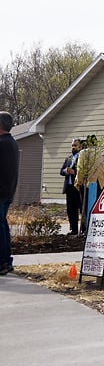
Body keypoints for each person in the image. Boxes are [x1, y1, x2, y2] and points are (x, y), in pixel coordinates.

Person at [0, 111, 19, 275]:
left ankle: (1, 263)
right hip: (8, 191)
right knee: (3, 225)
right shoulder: (12, 143)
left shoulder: (1, 143)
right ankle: (7, 260)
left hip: (1, 191)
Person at [60, 138, 83, 235]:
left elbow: (84, 172)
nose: (73, 147)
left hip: (78, 187)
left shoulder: (82, 158)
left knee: (81, 209)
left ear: (80, 146)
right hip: (69, 187)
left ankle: (83, 229)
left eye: (75, 145)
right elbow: (61, 171)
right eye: (72, 145)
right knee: (71, 210)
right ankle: (73, 229)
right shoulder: (68, 158)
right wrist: (66, 171)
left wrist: (75, 172)